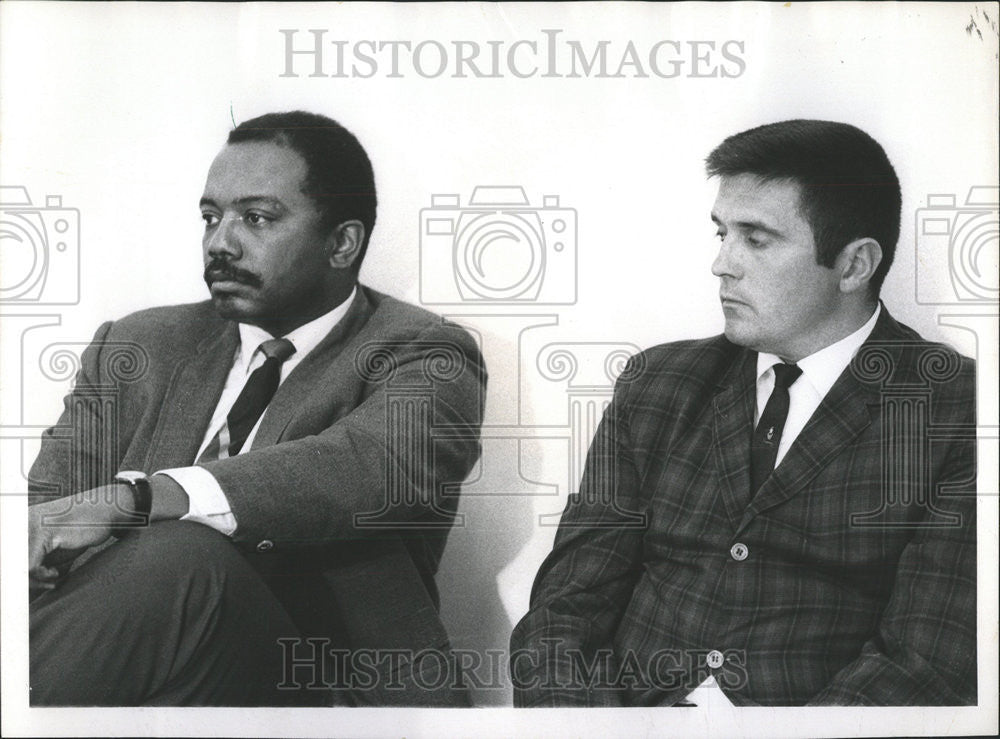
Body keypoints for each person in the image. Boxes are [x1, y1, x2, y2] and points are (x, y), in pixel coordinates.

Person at [510, 119, 977, 707]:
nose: (722, 264)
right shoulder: (659, 383)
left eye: (756, 239)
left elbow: (928, 663)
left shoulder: (958, 410)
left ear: (855, 265)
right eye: (721, 234)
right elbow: (564, 608)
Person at [28, 110, 486, 706]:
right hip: (129, 670)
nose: (221, 242)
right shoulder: (138, 344)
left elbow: (370, 467)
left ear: (342, 242)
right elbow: (48, 515)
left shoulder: (426, 351)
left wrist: (137, 499)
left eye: (257, 218)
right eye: (211, 217)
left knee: (181, 550)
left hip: (319, 688)